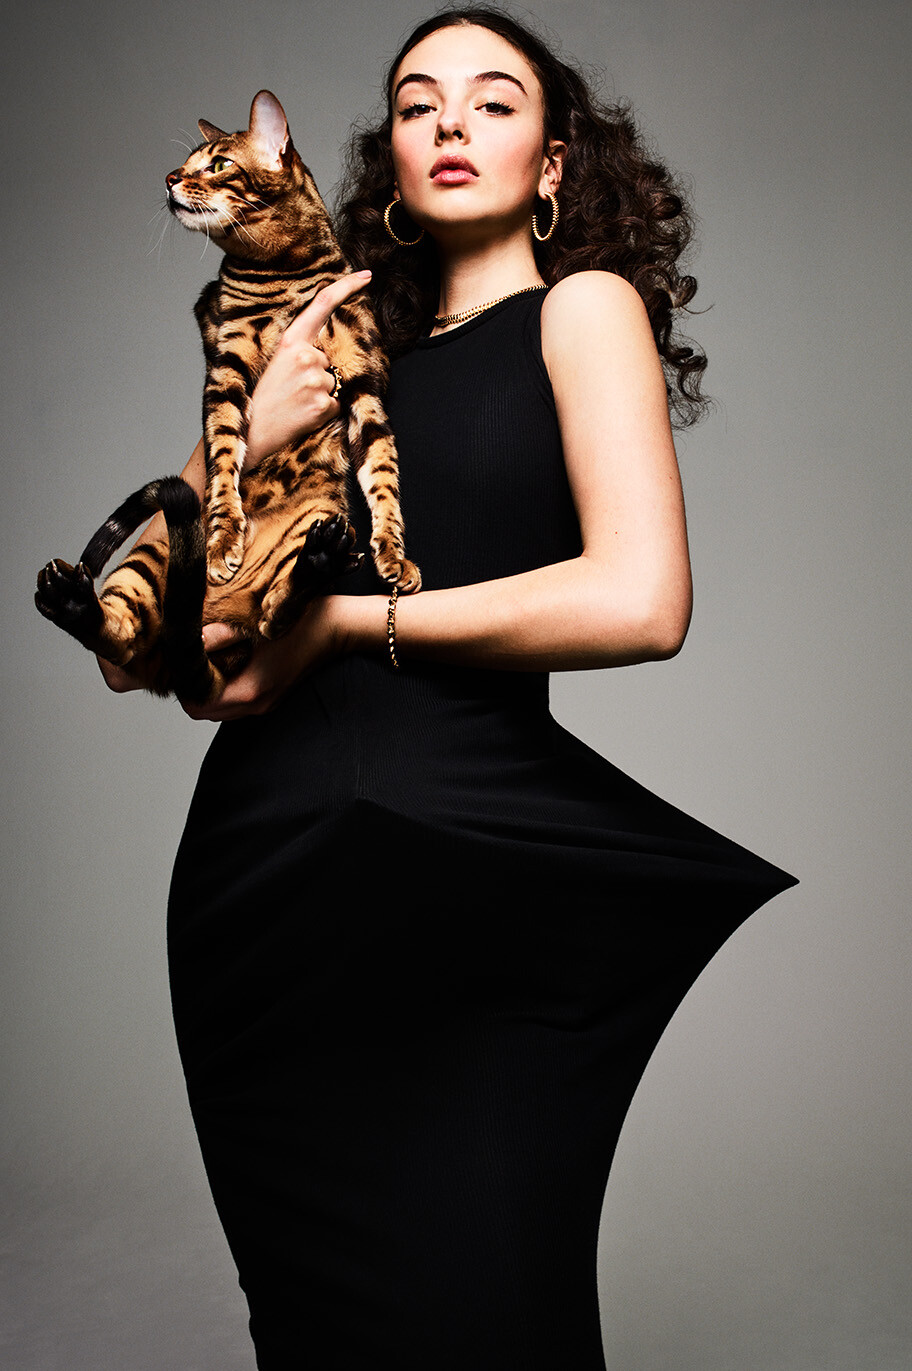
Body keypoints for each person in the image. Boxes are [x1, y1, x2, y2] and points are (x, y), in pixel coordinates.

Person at [101, 8, 796, 1367]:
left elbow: (643, 600)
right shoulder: (335, 346)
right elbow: (166, 651)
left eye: (493, 101)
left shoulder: (580, 310)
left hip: (462, 870)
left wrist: (345, 624)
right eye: (418, 104)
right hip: (263, 882)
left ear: (553, 163)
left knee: (497, 1308)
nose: (451, 125)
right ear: (391, 158)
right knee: (320, 1331)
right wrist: (240, 432)